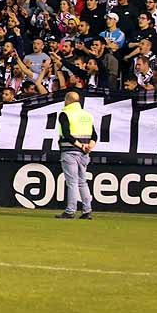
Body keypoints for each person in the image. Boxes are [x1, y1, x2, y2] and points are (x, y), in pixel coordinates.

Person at [56, 90, 96, 219]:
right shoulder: (87, 115)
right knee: (82, 182)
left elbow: (67, 134)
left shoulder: (65, 114)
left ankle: (70, 210)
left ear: (67, 100)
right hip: (84, 154)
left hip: (70, 152)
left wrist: (80, 145)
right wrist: (89, 146)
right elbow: (94, 135)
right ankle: (87, 211)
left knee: (72, 182)